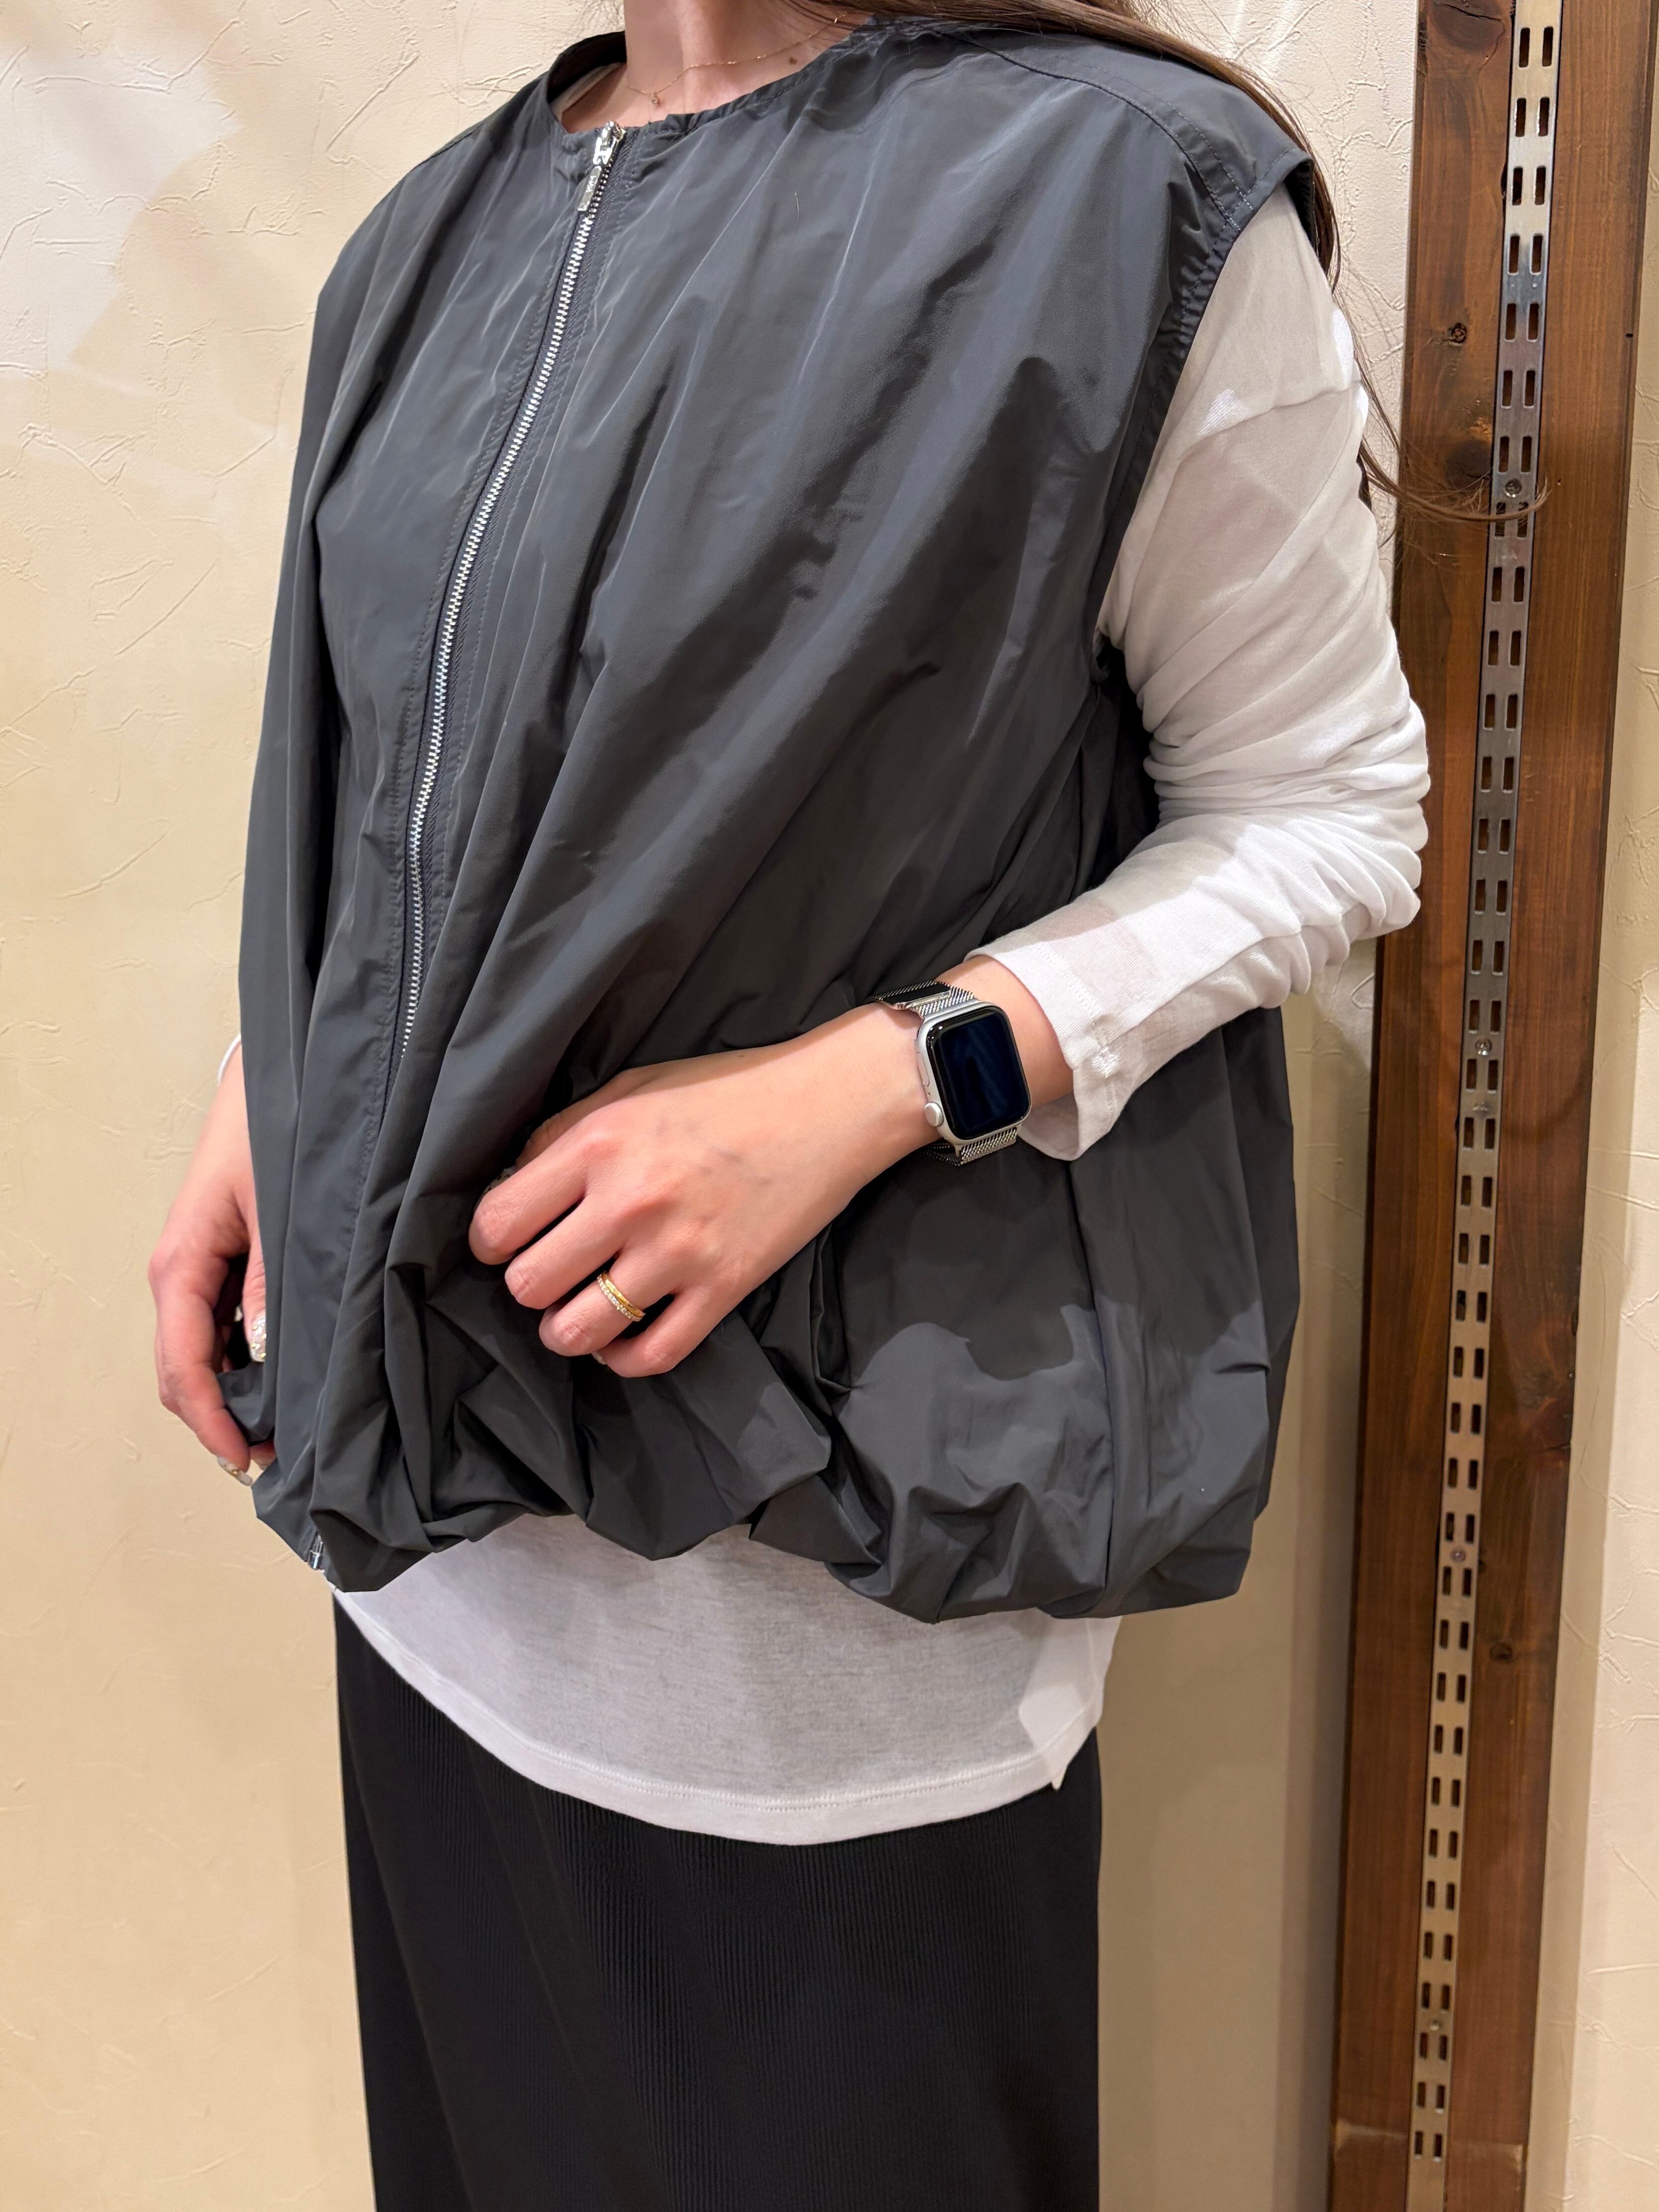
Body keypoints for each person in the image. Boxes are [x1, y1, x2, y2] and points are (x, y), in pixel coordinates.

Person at [149, 2, 1429, 2205]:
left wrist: (877, 1083)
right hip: (434, 1583)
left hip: (827, 1639)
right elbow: (425, 785)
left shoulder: (1124, 196)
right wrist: (268, 1084)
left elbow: (1329, 808)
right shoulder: (431, 234)